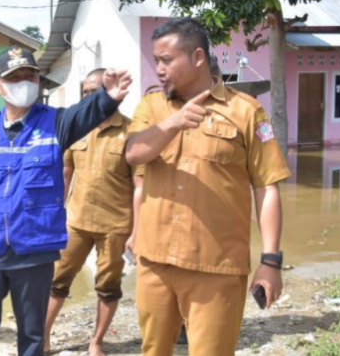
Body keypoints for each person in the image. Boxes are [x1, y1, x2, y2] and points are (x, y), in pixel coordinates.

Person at [125, 18, 291, 356]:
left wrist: (270, 262)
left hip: (217, 268)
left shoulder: (245, 111)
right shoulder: (151, 107)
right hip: (155, 261)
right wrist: (174, 121)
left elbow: (267, 187)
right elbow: (133, 153)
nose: (159, 69)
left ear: (198, 57)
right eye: (156, 61)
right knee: (153, 350)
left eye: (166, 60)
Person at [0, 46, 131, 356]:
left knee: (33, 337)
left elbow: (86, 113)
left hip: (33, 251)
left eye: (30, 76)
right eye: (15, 78)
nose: (24, 83)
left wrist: (108, 96)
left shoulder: (56, 123)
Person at [43, 68, 144, 356]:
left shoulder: (131, 131)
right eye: (85, 91)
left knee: (108, 286)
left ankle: (96, 342)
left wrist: (137, 232)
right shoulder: (75, 130)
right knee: (56, 281)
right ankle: (44, 338)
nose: (90, 96)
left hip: (115, 225)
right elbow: (65, 173)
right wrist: (54, 215)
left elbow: (140, 186)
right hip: (75, 221)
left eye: (96, 90)